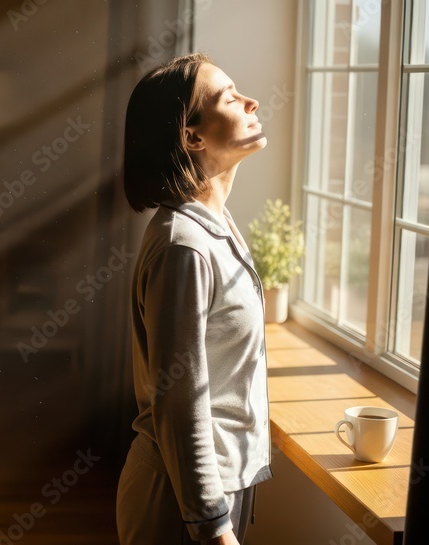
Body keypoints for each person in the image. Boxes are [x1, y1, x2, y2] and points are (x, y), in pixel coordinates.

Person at [115, 52, 273, 545]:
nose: (251, 101)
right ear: (191, 136)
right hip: (182, 502)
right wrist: (212, 525)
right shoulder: (184, 245)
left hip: (219, 486)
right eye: (229, 96)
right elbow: (180, 403)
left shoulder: (215, 226)